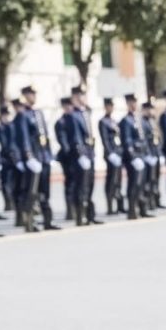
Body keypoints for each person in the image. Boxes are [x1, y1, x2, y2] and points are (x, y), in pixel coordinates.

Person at [14, 84, 59, 232]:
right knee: (31, 192)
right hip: (33, 158)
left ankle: (48, 221)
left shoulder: (38, 113)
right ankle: (29, 222)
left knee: (45, 191)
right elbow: (24, 137)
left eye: (34, 94)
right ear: (25, 96)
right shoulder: (23, 115)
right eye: (31, 94)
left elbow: (45, 135)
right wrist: (29, 156)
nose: (34, 96)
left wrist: (50, 155)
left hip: (43, 156)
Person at [70, 84, 100, 225]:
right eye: (80, 95)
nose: (83, 97)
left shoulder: (85, 113)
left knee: (90, 184)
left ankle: (90, 215)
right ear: (74, 97)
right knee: (81, 186)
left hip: (90, 153)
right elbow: (75, 136)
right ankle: (80, 216)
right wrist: (81, 154)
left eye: (84, 95)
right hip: (81, 156)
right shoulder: (74, 115)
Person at [119, 93, 149, 219]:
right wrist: (133, 157)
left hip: (142, 155)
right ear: (127, 104)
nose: (134, 104)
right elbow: (127, 141)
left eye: (135, 102)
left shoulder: (139, 119)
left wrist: (146, 153)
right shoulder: (126, 121)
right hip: (133, 157)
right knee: (134, 183)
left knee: (142, 183)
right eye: (131, 102)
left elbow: (145, 138)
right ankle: (132, 209)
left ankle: (142, 208)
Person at [99, 96, 125, 215]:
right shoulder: (103, 122)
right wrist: (110, 153)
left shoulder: (114, 121)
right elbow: (105, 140)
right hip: (111, 155)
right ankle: (110, 206)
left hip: (118, 153)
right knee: (111, 180)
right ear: (105, 107)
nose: (110, 108)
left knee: (118, 180)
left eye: (112, 106)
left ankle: (119, 204)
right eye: (108, 106)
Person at [54, 96, 77, 221]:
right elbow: (62, 140)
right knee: (69, 183)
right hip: (67, 157)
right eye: (67, 105)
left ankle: (75, 207)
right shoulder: (61, 122)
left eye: (70, 105)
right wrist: (70, 151)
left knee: (76, 183)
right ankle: (70, 210)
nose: (69, 108)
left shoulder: (74, 119)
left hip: (76, 156)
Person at [142, 100, 164, 210]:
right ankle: (148, 202)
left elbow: (159, 138)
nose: (150, 111)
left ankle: (156, 201)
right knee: (148, 180)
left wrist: (160, 153)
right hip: (149, 154)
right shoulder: (143, 122)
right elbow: (144, 140)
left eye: (152, 108)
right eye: (148, 109)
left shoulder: (154, 121)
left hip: (156, 153)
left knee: (156, 179)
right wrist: (147, 154)